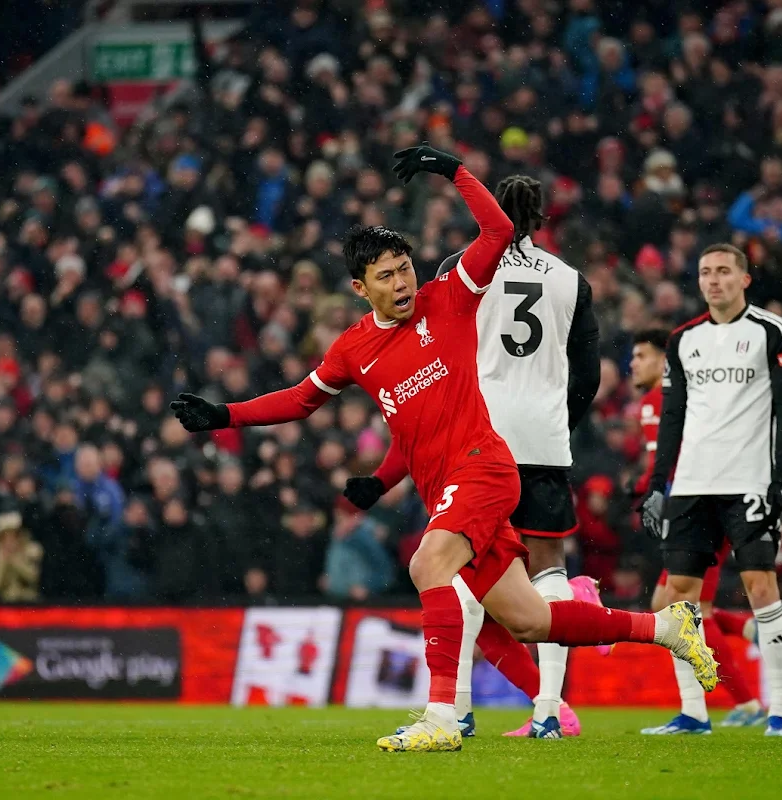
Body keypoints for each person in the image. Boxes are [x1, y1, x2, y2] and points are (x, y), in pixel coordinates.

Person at [171, 144, 717, 752]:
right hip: (447, 486)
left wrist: (452, 169)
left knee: (427, 565)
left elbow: (498, 229)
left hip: (484, 468)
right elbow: (301, 399)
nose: (402, 282)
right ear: (360, 288)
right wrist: (225, 414)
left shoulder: (449, 297)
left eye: (404, 267)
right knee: (530, 618)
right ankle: (667, 626)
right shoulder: (353, 349)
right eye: (385, 276)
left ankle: (442, 718)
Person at [352, 174, 604, 739]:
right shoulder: (571, 281)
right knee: (550, 573)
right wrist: (560, 424)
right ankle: (548, 712)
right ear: (541, 218)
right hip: (543, 438)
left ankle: (457, 706)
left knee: (458, 571)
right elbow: (587, 376)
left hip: (477, 436)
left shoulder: (460, 267)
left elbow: (425, 367)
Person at [641, 243, 782, 737]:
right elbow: (673, 415)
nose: (714, 281)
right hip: (692, 484)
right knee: (677, 597)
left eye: (724, 272)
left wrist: (779, 478)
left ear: (745, 279)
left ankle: (780, 712)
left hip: (748, 480)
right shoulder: (682, 339)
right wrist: (657, 485)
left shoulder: (772, 331)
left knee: (760, 587)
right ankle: (694, 713)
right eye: (706, 272)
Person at [631, 326, 767, 731]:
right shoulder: (664, 400)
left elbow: (675, 460)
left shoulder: (661, 400)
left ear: (661, 361)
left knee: (688, 609)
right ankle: (743, 629)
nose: (633, 365)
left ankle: (744, 702)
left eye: (640, 356)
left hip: (702, 507)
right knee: (666, 603)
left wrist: (646, 490)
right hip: (705, 503)